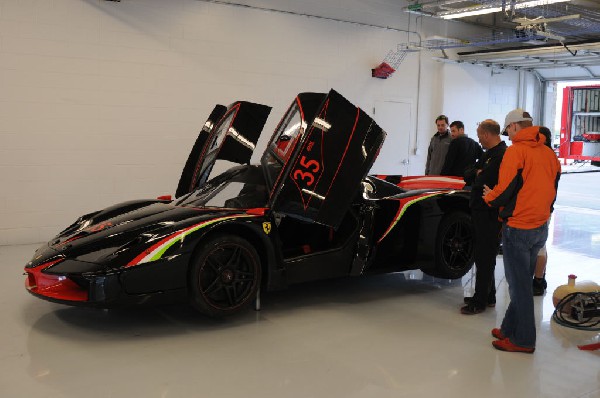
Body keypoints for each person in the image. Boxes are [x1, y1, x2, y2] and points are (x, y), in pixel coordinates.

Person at [483, 109, 561, 353]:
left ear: (515, 127)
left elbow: (504, 190)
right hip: (540, 225)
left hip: (518, 226)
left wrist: (489, 197)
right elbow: (553, 187)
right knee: (523, 282)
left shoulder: (516, 152)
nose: (508, 136)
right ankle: (508, 329)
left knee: (519, 288)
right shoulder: (549, 153)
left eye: (508, 131)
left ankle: (524, 340)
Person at [460, 119, 507, 315]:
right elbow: (468, 174)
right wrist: (476, 173)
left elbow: (483, 180)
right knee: (485, 255)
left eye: (479, 135)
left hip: (489, 212)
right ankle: (488, 295)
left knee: (485, 255)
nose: (478, 139)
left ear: (487, 134)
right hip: (481, 209)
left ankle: (479, 301)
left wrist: (477, 174)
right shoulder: (488, 154)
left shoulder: (501, 155)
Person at [532, 126, 553, 296]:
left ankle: (538, 281)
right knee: (539, 245)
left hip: (541, 207)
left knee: (540, 246)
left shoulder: (547, 158)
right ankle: (539, 277)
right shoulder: (547, 156)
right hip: (540, 206)